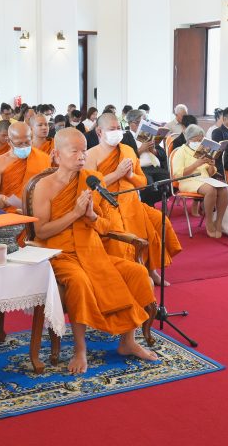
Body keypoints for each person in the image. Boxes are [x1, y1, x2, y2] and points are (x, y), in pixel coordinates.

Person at [32, 128, 158, 374]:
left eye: (83, 151)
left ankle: (128, 342)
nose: (81, 156)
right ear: (57, 155)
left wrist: (90, 216)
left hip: (93, 251)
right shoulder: (44, 186)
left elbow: (106, 225)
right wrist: (75, 214)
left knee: (137, 273)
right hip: (61, 254)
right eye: (74, 151)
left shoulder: (92, 180)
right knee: (79, 282)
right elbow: (42, 232)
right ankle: (80, 349)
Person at [86, 113, 182, 286]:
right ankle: (128, 272)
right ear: (99, 132)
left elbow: (143, 182)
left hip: (132, 201)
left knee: (159, 221)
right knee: (123, 233)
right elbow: (92, 186)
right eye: (112, 129)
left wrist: (130, 175)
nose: (117, 132)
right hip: (109, 204)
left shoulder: (128, 150)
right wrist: (117, 174)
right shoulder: (91, 155)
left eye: (118, 128)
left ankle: (151, 270)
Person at [171, 125, 228, 238]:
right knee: (211, 190)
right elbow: (177, 174)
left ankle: (218, 221)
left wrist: (212, 165)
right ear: (189, 139)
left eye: (201, 139)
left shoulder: (203, 150)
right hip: (188, 180)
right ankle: (209, 222)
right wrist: (196, 164)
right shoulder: (181, 151)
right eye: (196, 139)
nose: (198, 142)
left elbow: (211, 172)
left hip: (204, 179)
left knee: (225, 190)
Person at [0, 122, 51, 213]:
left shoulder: (43, 158)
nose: (24, 146)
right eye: (19, 144)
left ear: (32, 138)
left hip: (39, 212)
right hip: (11, 213)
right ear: (9, 141)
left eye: (27, 142)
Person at [125, 109, 170, 206]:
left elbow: (162, 154)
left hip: (156, 167)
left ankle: (150, 205)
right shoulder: (126, 137)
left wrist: (154, 151)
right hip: (141, 169)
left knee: (172, 183)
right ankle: (148, 207)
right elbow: (126, 157)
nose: (140, 125)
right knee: (149, 188)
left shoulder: (149, 134)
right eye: (138, 123)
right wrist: (140, 150)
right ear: (130, 123)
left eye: (143, 123)